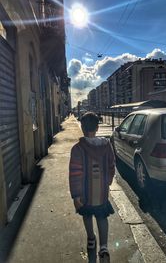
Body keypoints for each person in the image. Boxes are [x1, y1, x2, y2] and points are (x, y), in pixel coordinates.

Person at [69, 112, 115, 263]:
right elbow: (111, 165)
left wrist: (76, 195)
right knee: (102, 216)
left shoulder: (77, 149)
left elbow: (75, 173)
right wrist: (107, 182)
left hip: (84, 193)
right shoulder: (106, 145)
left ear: (82, 127)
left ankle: (91, 239)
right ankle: (103, 247)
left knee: (87, 215)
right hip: (101, 192)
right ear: (97, 127)